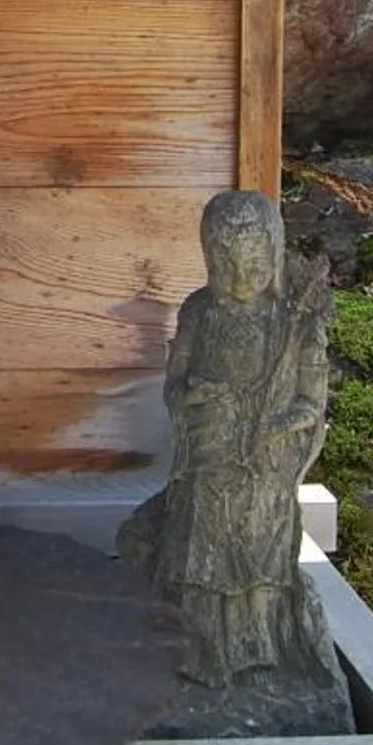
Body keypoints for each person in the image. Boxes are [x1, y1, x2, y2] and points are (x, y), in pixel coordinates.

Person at [145, 190, 331, 687]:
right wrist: (192, 395)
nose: (240, 277)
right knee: (199, 550)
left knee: (260, 556)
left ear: (273, 256)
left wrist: (285, 424)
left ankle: (263, 648)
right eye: (225, 263)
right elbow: (176, 380)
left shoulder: (292, 325)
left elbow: (311, 402)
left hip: (265, 461)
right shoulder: (199, 313)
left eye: (254, 263)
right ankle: (198, 649)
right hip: (210, 452)